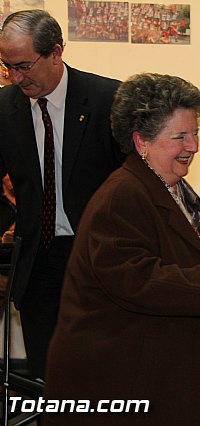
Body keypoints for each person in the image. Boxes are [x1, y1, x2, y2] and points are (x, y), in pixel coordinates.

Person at [44, 73, 200, 426]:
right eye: (180, 136)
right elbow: (135, 280)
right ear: (141, 141)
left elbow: (199, 258)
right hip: (126, 382)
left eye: (195, 133)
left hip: (159, 372)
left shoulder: (169, 187)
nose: (194, 146)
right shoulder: (122, 195)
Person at [0, 9, 124, 378]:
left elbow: (136, 181)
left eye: (24, 66)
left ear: (56, 52)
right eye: (7, 67)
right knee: (49, 375)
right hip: (38, 261)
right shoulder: (5, 108)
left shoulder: (108, 99)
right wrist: (12, 221)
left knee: (102, 374)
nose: (15, 78)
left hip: (99, 258)